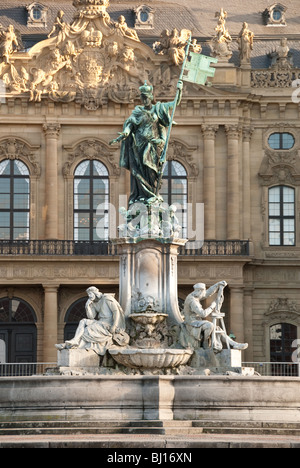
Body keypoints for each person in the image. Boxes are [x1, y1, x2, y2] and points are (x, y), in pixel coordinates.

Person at [109, 80, 183, 206]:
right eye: (142, 98)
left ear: (151, 97)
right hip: (138, 146)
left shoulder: (159, 109)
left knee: (151, 170)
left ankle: (152, 195)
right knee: (138, 172)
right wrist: (126, 133)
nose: (144, 100)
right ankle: (142, 196)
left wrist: (180, 90)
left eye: (146, 97)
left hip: (153, 146)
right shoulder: (138, 111)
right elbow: (130, 124)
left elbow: (174, 104)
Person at [55, 287, 129, 356]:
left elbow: (116, 312)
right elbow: (91, 317)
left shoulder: (106, 298)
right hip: (100, 322)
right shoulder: (94, 302)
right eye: (88, 295)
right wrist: (87, 306)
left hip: (108, 324)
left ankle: (69, 345)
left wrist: (114, 326)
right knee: (83, 321)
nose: (89, 296)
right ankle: (75, 340)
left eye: (90, 294)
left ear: (95, 293)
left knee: (87, 330)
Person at [179, 281, 248, 352]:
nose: (204, 294)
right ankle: (205, 342)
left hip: (197, 322)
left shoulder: (196, 295)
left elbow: (207, 293)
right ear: (199, 291)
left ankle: (234, 344)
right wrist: (212, 306)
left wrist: (217, 285)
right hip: (191, 323)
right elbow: (203, 314)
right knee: (210, 325)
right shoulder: (192, 300)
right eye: (203, 292)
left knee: (217, 329)